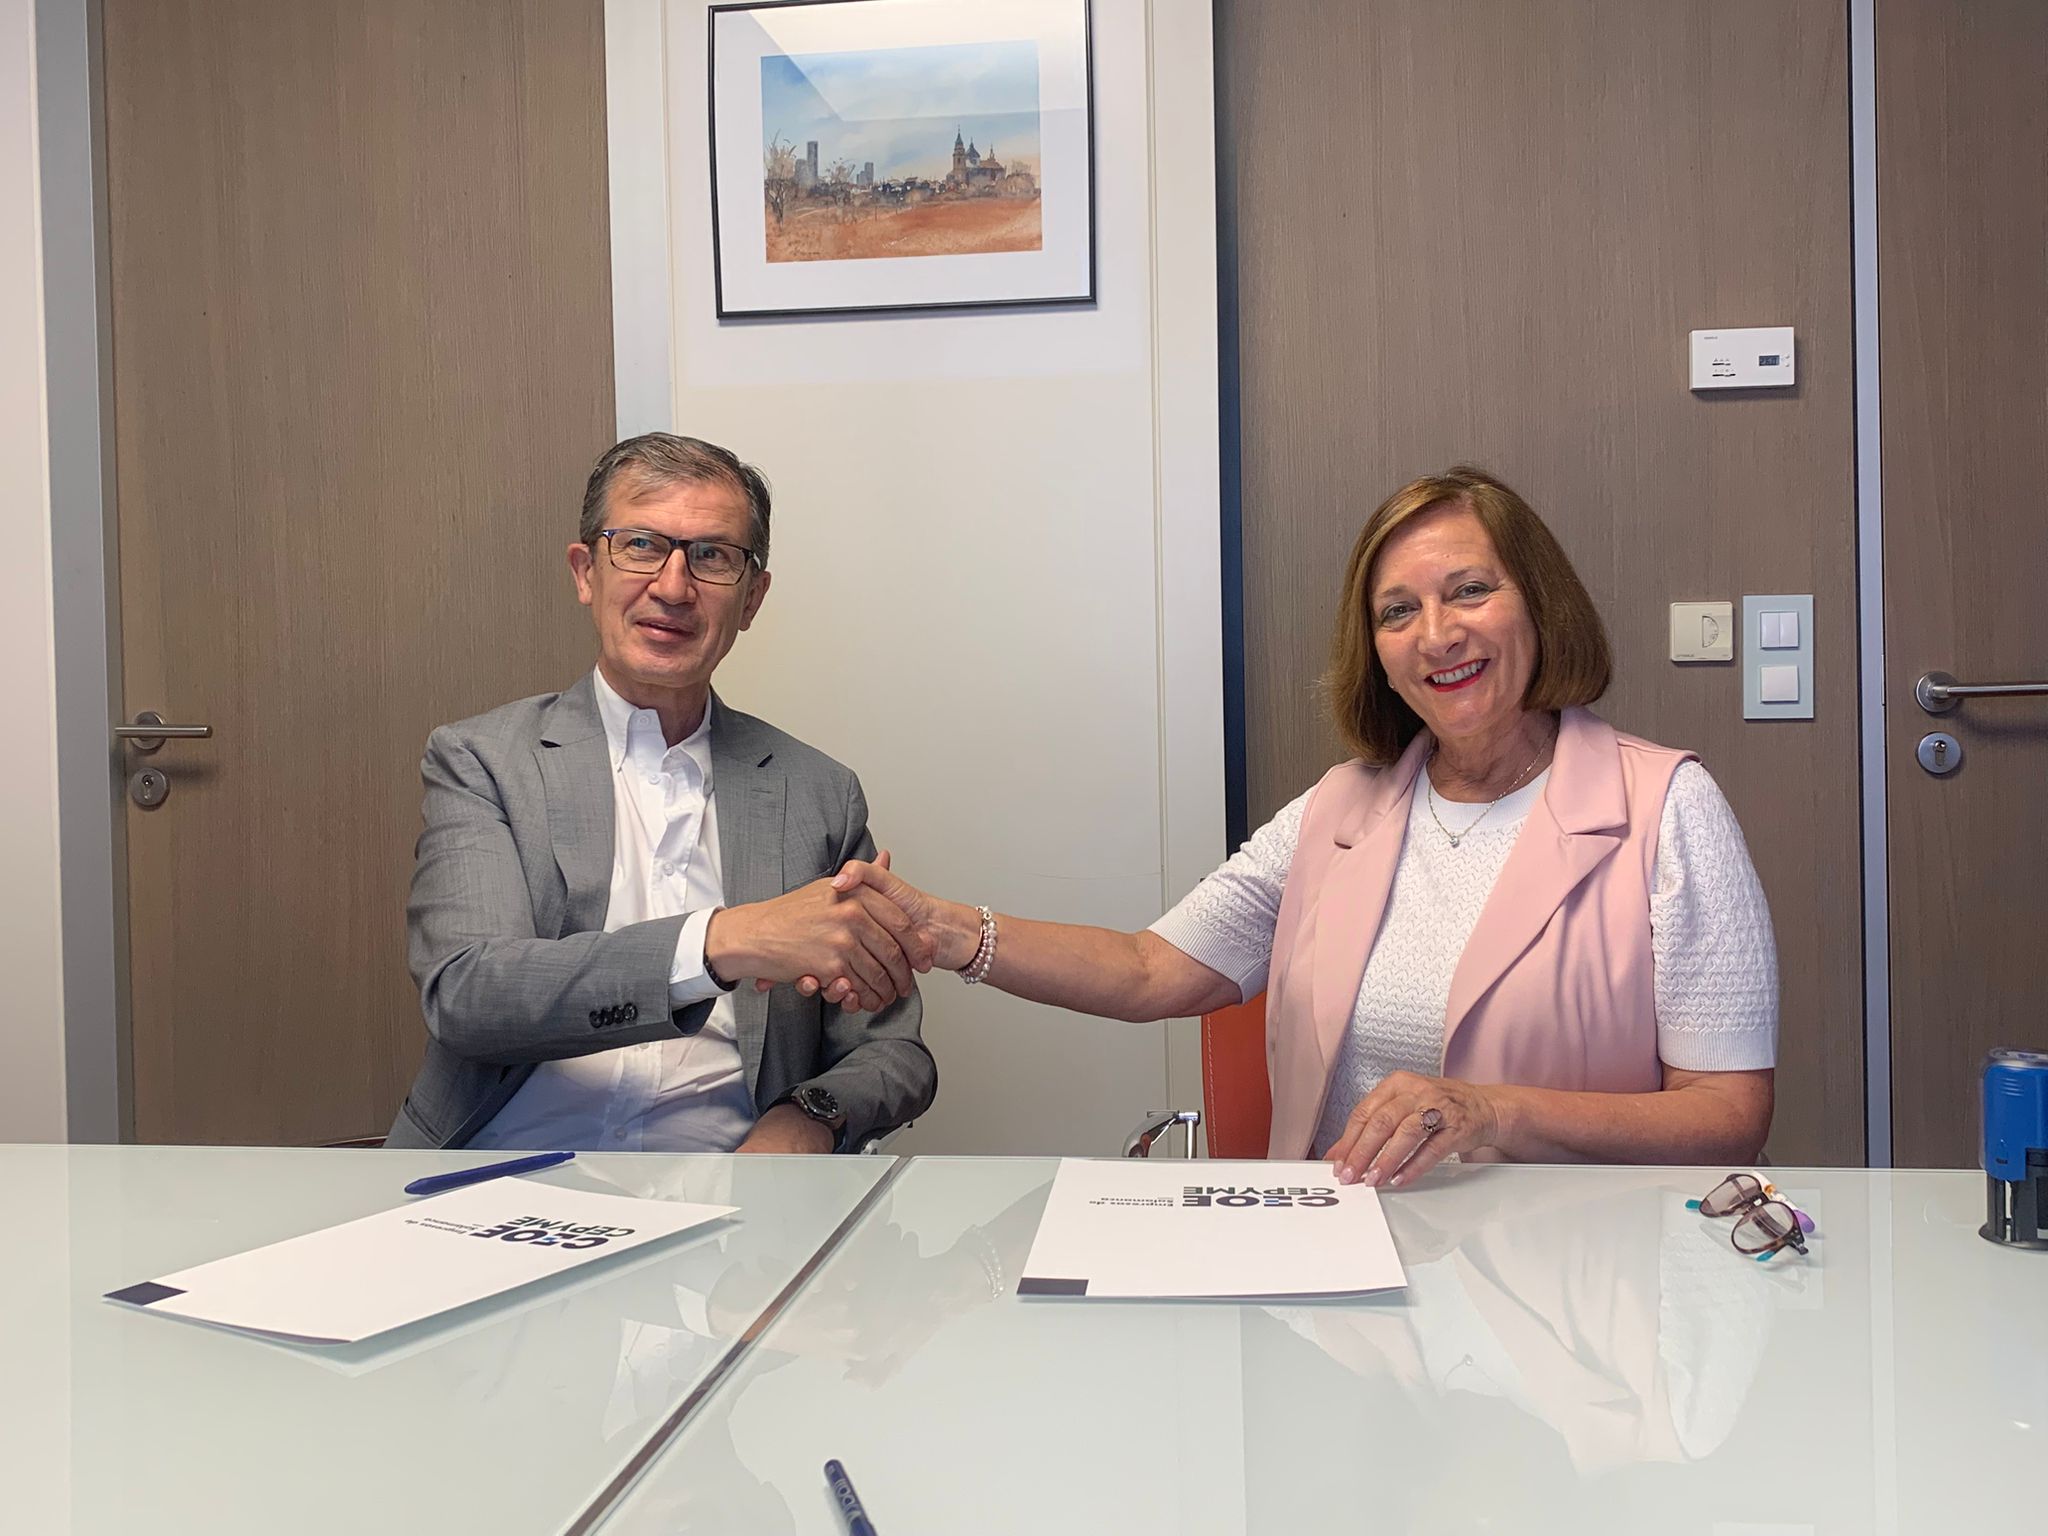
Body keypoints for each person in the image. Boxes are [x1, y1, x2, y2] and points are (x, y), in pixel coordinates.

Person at [820, 466, 1775, 1183]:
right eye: (1397, 611)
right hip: (1345, 1283)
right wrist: (950, 932)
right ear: (1379, 654)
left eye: (1470, 590)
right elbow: (1149, 969)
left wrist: (1491, 1112)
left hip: (1575, 1295)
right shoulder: (1341, 807)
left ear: (1541, 603)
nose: (1437, 634)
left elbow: (1729, 1112)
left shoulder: (1666, 806)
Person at [386, 433, 936, 1154]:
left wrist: (809, 1117)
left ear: (752, 598)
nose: (673, 588)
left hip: (730, 1186)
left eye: (712, 556)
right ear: (585, 572)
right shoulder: (484, 760)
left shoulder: (819, 794)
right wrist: (722, 941)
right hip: (503, 1172)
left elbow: (892, 1051)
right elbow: (468, 995)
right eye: (641, 545)